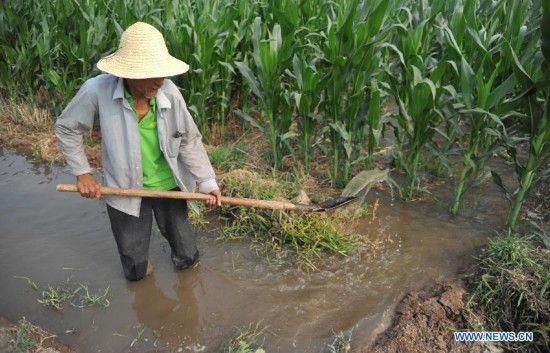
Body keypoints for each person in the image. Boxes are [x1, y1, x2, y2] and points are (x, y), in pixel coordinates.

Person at [55, 22, 222, 281]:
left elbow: (189, 140)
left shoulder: (169, 92)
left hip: (169, 187)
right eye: (151, 73)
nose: (160, 80)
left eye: (163, 72)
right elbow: (67, 128)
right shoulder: (97, 91)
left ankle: (187, 287)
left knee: (187, 255)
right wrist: (83, 173)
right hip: (124, 187)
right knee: (135, 268)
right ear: (128, 73)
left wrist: (207, 180)